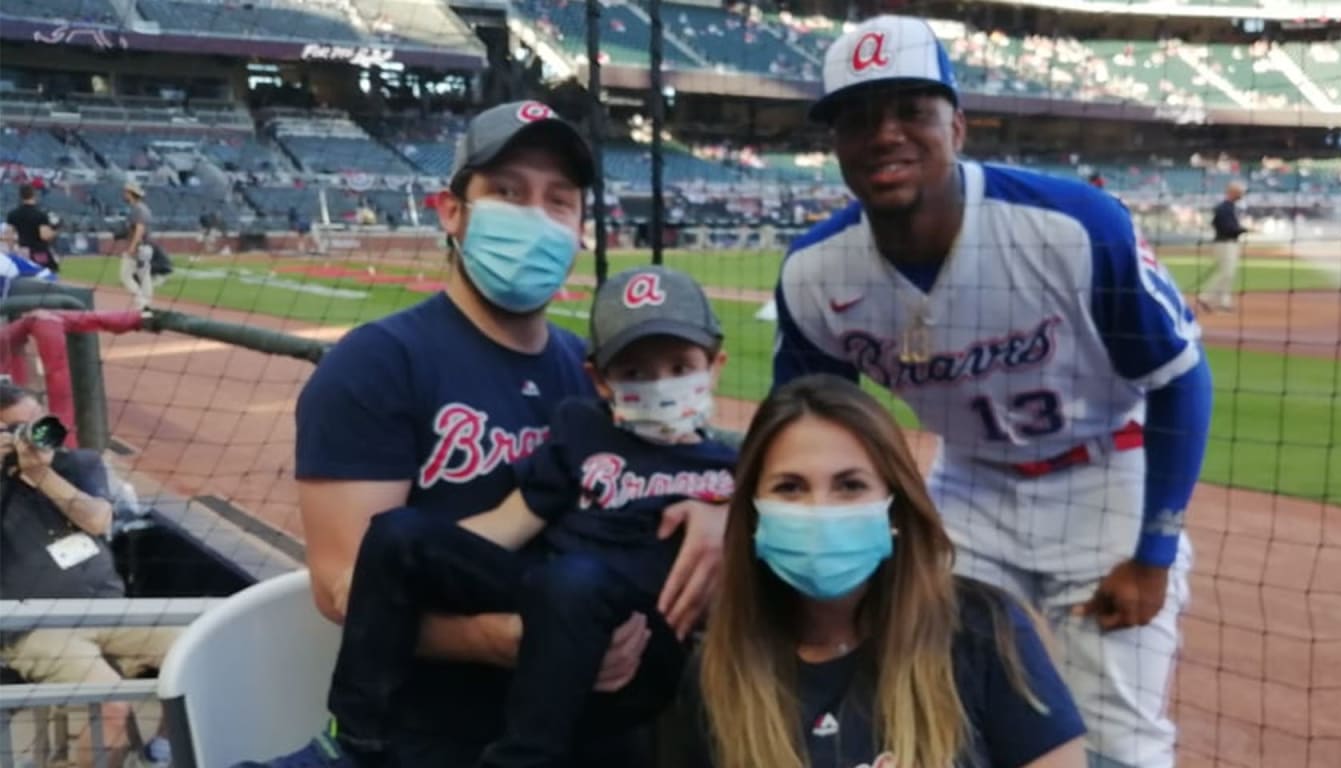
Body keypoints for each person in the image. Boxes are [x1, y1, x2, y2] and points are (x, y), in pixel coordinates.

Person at [771, 16, 1213, 768]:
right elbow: (806, 427)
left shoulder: (1070, 225)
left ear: (958, 126)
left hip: (1104, 478)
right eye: (857, 117)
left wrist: (1153, 551)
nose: (885, 134)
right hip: (967, 485)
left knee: (1120, 744)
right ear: (836, 143)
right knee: (923, 695)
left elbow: (1179, 379)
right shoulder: (816, 273)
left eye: (911, 109)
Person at [270, 101, 728, 767]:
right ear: (452, 211)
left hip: (600, 723)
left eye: (559, 200)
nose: (535, 218)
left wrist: (722, 512)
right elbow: (344, 586)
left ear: (579, 231)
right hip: (436, 735)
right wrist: (514, 638)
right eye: (507, 192)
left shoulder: (600, 371)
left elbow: (699, 464)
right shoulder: (376, 363)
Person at [676, 375, 1087, 768]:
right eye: (790, 487)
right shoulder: (717, 677)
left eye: (850, 485)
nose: (821, 510)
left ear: (895, 508)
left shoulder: (987, 632)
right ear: (752, 516)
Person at [0, 383, 173, 768]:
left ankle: (165, 749)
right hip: (33, 628)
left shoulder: (77, 465)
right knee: (111, 710)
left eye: (36, 422)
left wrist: (42, 475)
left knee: (202, 649)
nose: (33, 436)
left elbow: (97, 520)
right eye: (17, 429)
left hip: (109, 611)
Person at [1197, 181, 1248, 313]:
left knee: (1228, 273)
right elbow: (1227, 228)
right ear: (1232, 192)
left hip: (1225, 243)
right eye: (1239, 192)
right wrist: (1243, 229)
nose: (1242, 194)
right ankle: (1206, 297)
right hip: (1225, 243)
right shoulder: (1224, 208)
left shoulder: (1227, 207)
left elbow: (1216, 223)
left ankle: (1224, 302)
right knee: (1227, 273)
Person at [5, 184, 61, 272]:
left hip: (23, 250)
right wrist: (56, 230)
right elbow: (44, 236)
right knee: (47, 274)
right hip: (39, 251)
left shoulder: (13, 214)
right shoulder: (40, 214)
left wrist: (11, 252)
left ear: (20, 196)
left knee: (25, 276)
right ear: (34, 195)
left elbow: (9, 236)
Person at [120, 181, 155, 310]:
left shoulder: (137, 209)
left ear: (131, 194)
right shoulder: (144, 208)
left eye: (126, 192)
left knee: (125, 276)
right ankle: (148, 305)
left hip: (139, 247)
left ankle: (142, 303)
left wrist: (132, 248)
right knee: (145, 277)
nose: (124, 194)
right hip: (146, 247)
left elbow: (140, 229)